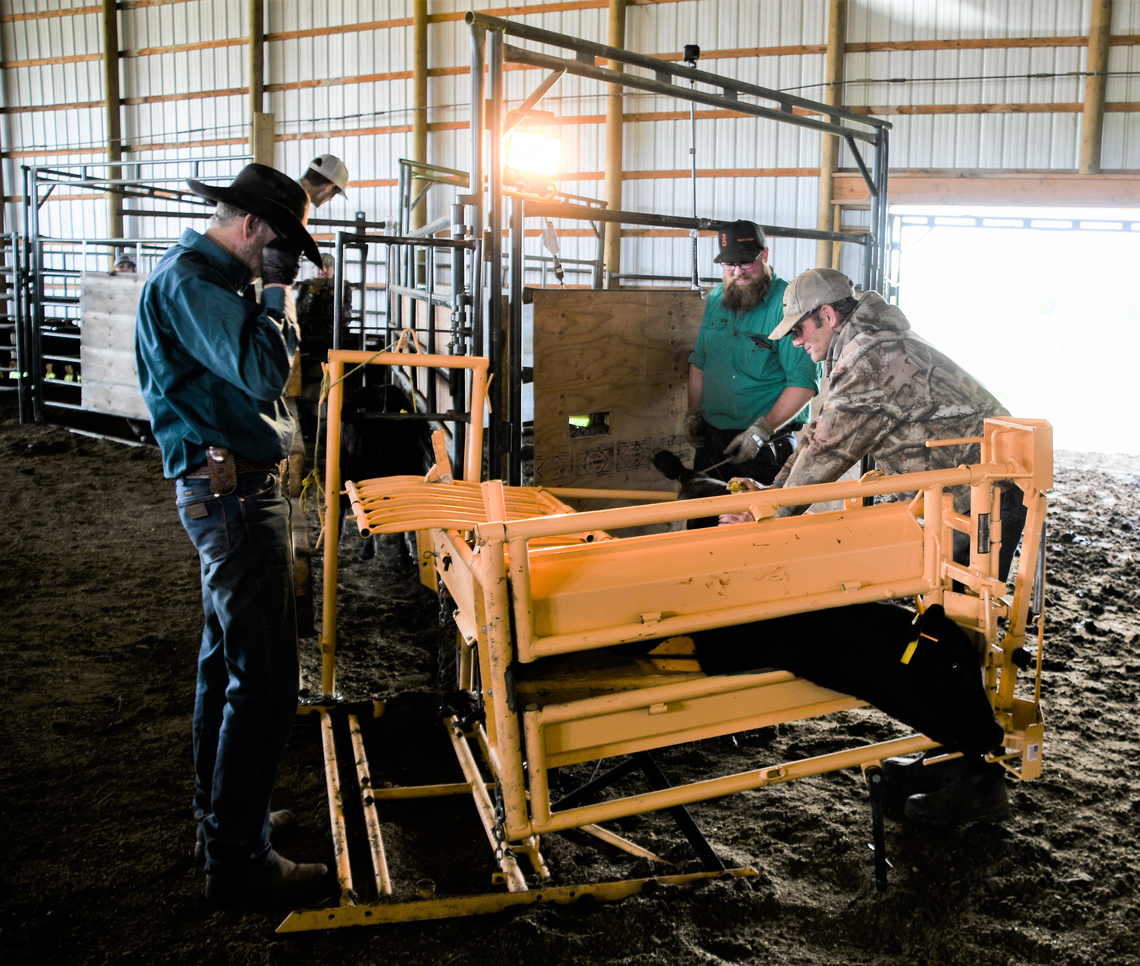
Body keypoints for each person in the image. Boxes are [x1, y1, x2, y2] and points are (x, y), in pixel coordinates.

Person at [737, 267, 1028, 827]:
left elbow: (827, 454)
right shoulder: (864, 349)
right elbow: (819, 436)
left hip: (983, 501)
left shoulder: (875, 359)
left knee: (955, 627)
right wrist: (770, 499)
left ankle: (978, 774)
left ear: (827, 316)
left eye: (800, 331)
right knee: (948, 622)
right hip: (959, 498)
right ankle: (958, 753)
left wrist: (763, 518)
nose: (799, 344)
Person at [134, 163, 328, 907]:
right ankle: (239, 860)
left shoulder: (206, 281)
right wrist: (278, 296)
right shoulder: (192, 283)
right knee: (267, 678)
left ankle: (225, 820)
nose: (277, 258)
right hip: (233, 495)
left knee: (228, 665)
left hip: (234, 489)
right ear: (250, 226)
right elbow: (261, 370)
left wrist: (271, 291)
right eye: (277, 243)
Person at [685, 220, 820, 484]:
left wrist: (761, 430)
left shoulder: (789, 303)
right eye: (729, 265)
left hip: (764, 446)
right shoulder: (716, 299)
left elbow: (803, 382)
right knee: (704, 522)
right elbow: (700, 362)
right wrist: (693, 412)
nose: (738, 271)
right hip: (711, 443)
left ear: (764, 254)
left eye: (746, 262)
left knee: (754, 520)